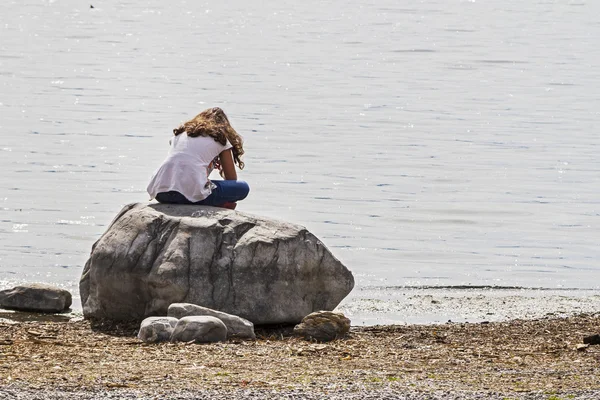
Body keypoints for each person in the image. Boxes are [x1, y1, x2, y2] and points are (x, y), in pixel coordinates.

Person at [147, 107, 249, 210]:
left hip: (161, 193)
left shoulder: (180, 134)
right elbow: (231, 180)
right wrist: (222, 170)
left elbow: (183, 161)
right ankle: (216, 204)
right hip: (187, 195)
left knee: (195, 187)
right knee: (243, 187)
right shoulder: (220, 138)